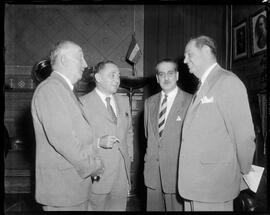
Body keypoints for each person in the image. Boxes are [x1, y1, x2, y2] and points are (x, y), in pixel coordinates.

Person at [178, 35, 256, 211]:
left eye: (189, 54)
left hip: (213, 187)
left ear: (206, 51)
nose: (184, 60)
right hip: (194, 185)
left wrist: (244, 171)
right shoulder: (203, 85)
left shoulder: (228, 82)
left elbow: (244, 136)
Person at [31, 40, 106, 211]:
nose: (86, 64)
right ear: (63, 60)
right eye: (80, 57)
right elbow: (65, 142)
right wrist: (93, 166)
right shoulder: (50, 90)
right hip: (63, 192)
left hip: (72, 188)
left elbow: (80, 135)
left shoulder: (63, 89)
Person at [80, 60, 134, 211]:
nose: (117, 79)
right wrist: (99, 142)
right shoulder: (83, 103)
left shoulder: (123, 101)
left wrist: (129, 155)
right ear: (98, 78)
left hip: (121, 176)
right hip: (97, 174)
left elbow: (129, 131)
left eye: (118, 75)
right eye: (112, 75)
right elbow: (78, 140)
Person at [143, 59, 192, 211]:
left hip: (177, 175)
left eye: (170, 73)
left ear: (177, 76)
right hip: (153, 175)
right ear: (157, 78)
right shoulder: (149, 102)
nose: (166, 78)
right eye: (161, 74)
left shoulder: (191, 101)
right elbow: (148, 136)